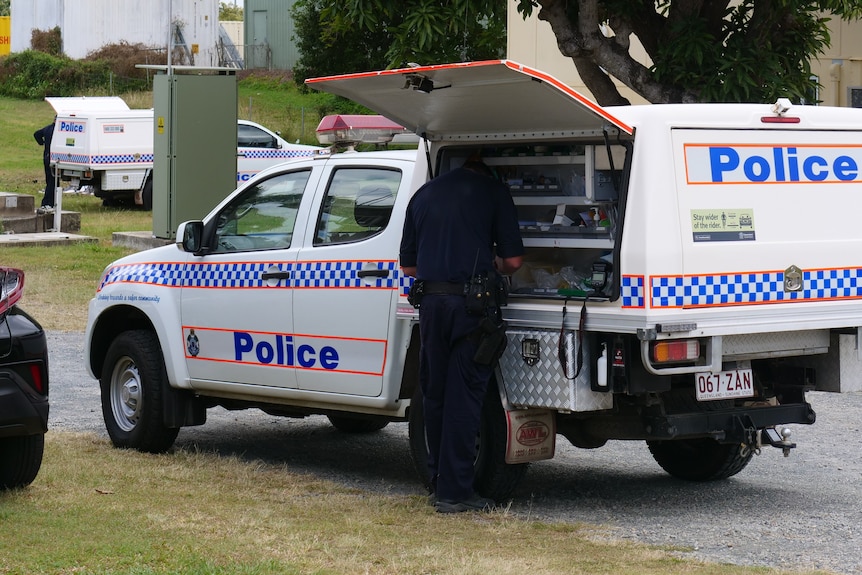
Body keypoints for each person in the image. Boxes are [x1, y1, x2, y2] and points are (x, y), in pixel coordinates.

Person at [399, 156, 524, 514]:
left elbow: (408, 266)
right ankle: (456, 494)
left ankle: (439, 484)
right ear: (486, 171)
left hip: (431, 307)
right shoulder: (494, 193)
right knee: (465, 396)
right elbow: (513, 262)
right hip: (471, 309)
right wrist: (492, 261)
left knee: (435, 394)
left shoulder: (422, 196)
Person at [33, 119, 56, 213]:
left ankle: (50, 201)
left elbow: (36, 134)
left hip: (46, 156)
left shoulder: (47, 128)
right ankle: (48, 202)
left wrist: (41, 142)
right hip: (54, 158)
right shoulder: (57, 131)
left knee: (49, 180)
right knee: (53, 182)